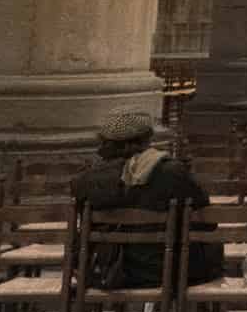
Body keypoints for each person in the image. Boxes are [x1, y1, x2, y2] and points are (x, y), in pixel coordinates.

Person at [71, 111, 221, 289]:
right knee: (213, 247)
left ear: (105, 143)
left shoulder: (85, 179)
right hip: (164, 272)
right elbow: (207, 221)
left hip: (104, 270)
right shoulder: (173, 172)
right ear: (145, 141)